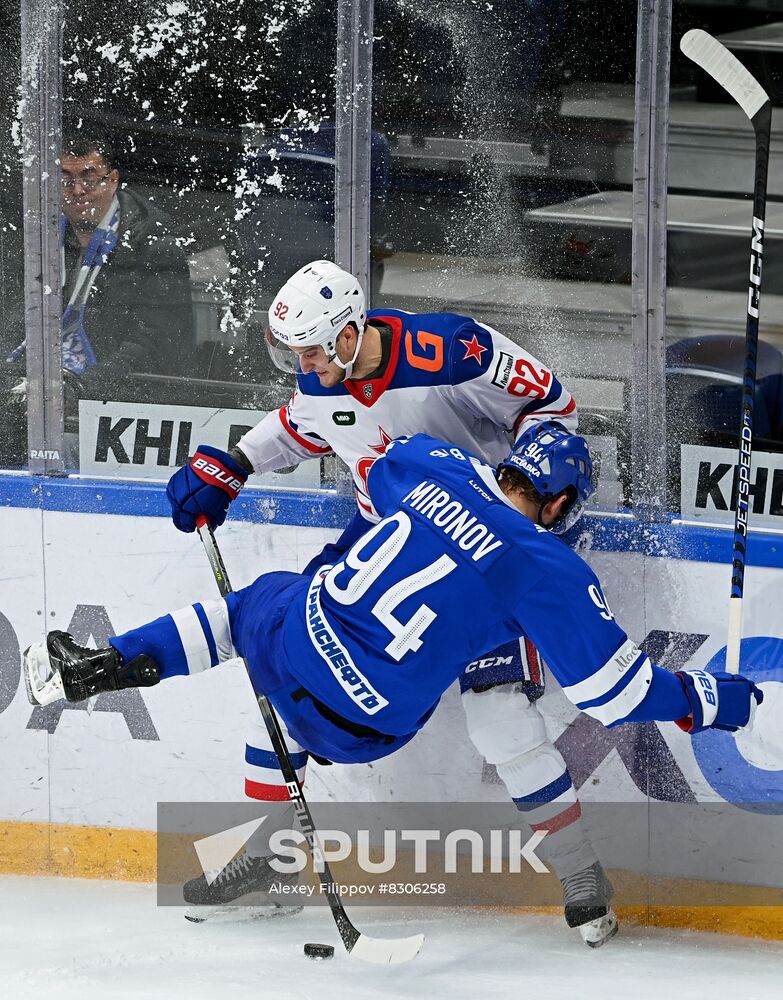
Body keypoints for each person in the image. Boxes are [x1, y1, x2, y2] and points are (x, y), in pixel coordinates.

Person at [24, 426, 763, 938]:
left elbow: (371, 460)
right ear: (563, 504)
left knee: (252, 616)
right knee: (499, 725)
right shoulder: (548, 568)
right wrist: (708, 700)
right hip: (368, 723)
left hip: (304, 645)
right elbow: (617, 695)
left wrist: (234, 465)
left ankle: (108, 662)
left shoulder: (427, 460)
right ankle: (577, 878)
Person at [164, 259, 619, 944]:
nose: (305, 363)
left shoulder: (454, 350)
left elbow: (553, 411)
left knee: (498, 719)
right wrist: (236, 463)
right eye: (294, 351)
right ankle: (263, 859)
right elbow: (302, 423)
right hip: (384, 540)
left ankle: (581, 875)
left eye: (316, 348)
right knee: (284, 672)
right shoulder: (319, 374)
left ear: (352, 332)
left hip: (483, 550)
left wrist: (524, 496)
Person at [5, 134, 195, 386]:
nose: (77, 190)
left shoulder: (155, 247)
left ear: (113, 180)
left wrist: (83, 387)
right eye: (65, 180)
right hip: (31, 382)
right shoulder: (33, 239)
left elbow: (156, 347)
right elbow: (10, 318)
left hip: (108, 395)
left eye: (89, 179)